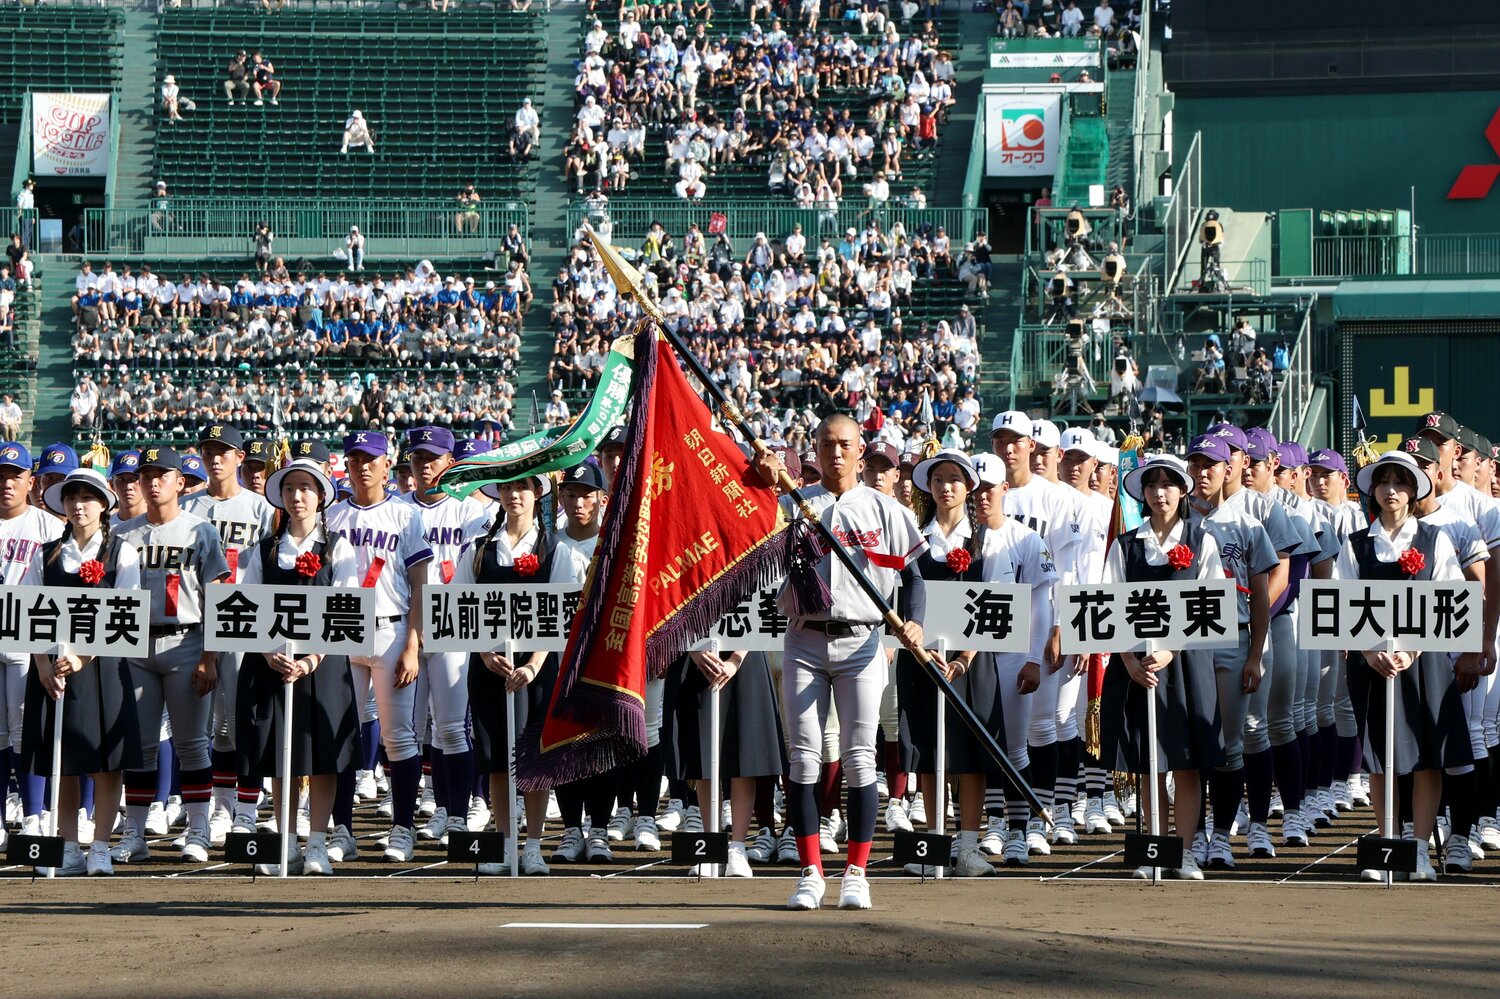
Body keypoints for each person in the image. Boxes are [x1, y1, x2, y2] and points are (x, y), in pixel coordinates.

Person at [753, 413, 927, 911]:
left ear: (860, 447)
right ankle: (810, 872)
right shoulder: (791, 503)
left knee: (859, 757)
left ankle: (856, 872)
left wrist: (913, 621)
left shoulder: (884, 508)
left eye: (845, 444)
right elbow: (749, 541)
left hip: (863, 640)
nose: (836, 453)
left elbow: (913, 577)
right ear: (814, 447)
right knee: (804, 756)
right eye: (826, 444)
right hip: (803, 637)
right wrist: (765, 487)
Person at [1341, 450, 1468, 882]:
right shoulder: (1355, 544)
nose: (1391, 490)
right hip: (1372, 664)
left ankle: (1417, 851)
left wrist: (1411, 649)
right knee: (1379, 754)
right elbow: (1340, 606)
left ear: (1414, 491)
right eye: (1383, 482)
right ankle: (1387, 842)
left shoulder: (1436, 540)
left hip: (1424, 663)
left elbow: (1451, 599)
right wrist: (1368, 651)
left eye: (1400, 482)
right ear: (1372, 491)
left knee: (1427, 754)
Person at [1100, 454, 1226, 880]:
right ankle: (1156, 845)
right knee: (1150, 762)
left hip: (1187, 664)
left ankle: (1185, 851)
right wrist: (1130, 660)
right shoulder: (1126, 544)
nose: (1159, 493)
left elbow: (1212, 602)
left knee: (1187, 761)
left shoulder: (1201, 540)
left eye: (1168, 484)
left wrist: (1171, 648)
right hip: (1138, 667)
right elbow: (1107, 607)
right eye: (1151, 485)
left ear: (1182, 489)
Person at [457, 472, 588, 874]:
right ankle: (505, 842)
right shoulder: (479, 550)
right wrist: (483, 653)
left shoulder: (558, 551)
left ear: (537, 495)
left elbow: (564, 616)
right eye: (508, 488)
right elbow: (460, 607)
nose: (514, 495)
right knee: (497, 760)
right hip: (490, 668)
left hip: (538, 671)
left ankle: (533, 844)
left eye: (523, 488)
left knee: (535, 759)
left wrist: (532, 664)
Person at [237, 458, 361, 875]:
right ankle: (287, 840)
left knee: (322, 753)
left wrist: (311, 659)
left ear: (321, 495)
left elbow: (346, 607)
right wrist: (268, 650)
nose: (297, 496)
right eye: (290, 488)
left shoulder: (338, 547)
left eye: (306, 488)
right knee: (279, 752)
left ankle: (317, 843)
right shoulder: (265, 548)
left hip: (321, 666)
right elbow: (247, 605)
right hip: (272, 662)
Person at [110, 446, 231, 865]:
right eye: (147, 475)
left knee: (192, 743)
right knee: (140, 746)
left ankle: (198, 828)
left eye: (162, 474)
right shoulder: (122, 533)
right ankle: (135, 832)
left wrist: (210, 656)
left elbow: (217, 595)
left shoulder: (201, 530)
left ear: (181, 481)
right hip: (136, 644)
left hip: (187, 640)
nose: (153, 481)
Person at [21, 468, 142, 876]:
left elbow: (128, 613)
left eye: (87, 497)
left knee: (105, 761)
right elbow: (28, 612)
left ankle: (102, 847)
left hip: (103, 669)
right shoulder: (47, 553)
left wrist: (83, 657)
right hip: (53, 671)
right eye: (71, 497)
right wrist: (42, 665)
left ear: (103, 504)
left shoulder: (121, 552)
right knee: (64, 759)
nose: (78, 505)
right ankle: (68, 845)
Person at [325, 431, 433, 864]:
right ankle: (343, 829)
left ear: (388, 465)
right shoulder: (331, 516)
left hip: (390, 628)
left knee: (398, 737)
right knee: (340, 736)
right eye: (355, 458)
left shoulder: (405, 515)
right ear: (346, 466)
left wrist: (413, 641)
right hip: (340, 630)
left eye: (371, 459)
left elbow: (421, 584)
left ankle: (403, 829)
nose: (363, 466)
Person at [1182, 432, 1279, 868]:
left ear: (1229, 469)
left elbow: (1260, 595)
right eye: (1196, 464)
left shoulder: (1246, 524)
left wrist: (1256, 654)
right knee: (1190, 743)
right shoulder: (1173, 520)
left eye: (1212, 465)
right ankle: (1194, 834)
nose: (1202, 473)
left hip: (1232, 638)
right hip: (1182, 640)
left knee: (1230, 744)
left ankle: (1221, 835)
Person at [183, 425, 278, 842]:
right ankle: (219, 810)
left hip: (246, 620)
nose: (215, 458)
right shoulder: (188, 506)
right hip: (197, 620)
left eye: (223, 451)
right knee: (209, 728)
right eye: (208, 450)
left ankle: (246, 807)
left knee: (241, 724)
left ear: (241, 457)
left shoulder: (261, 508)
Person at [401, 427, 493, 845]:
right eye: (418, 457)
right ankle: (436, 810)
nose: (424, 465)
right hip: (405, 624)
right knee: (412, 730)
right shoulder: (400, 509)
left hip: (453, 621)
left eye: (433, 457)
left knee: (451, 727)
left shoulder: (470, 511)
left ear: (450, 463)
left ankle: (458, 812)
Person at [0, 442, 64, 851]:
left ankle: (34, 813)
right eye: (2, 475)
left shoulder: (46, 526)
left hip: (27, 634)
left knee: (25, 731)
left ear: (30, 481)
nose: (7, 482)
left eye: (14, 475)